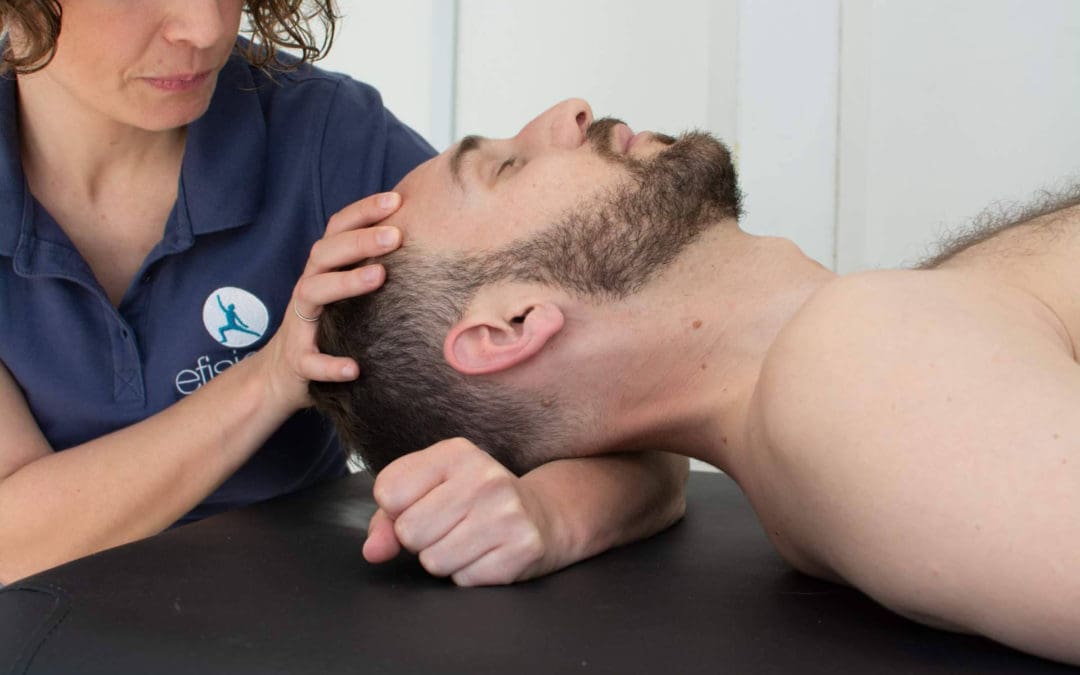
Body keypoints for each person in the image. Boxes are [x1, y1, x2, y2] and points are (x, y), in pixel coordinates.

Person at [311, 97, 1080, 665]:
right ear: (511, 325)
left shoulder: (869, 357)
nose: (570, 112)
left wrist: (553, 510)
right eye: (507, 165)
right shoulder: (855, 374)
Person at [0, 3, 688, 587]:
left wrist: (550, 515)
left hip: (295, 627)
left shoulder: (330, 140)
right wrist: (270, 379)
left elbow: (642, 420)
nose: (205, 28)